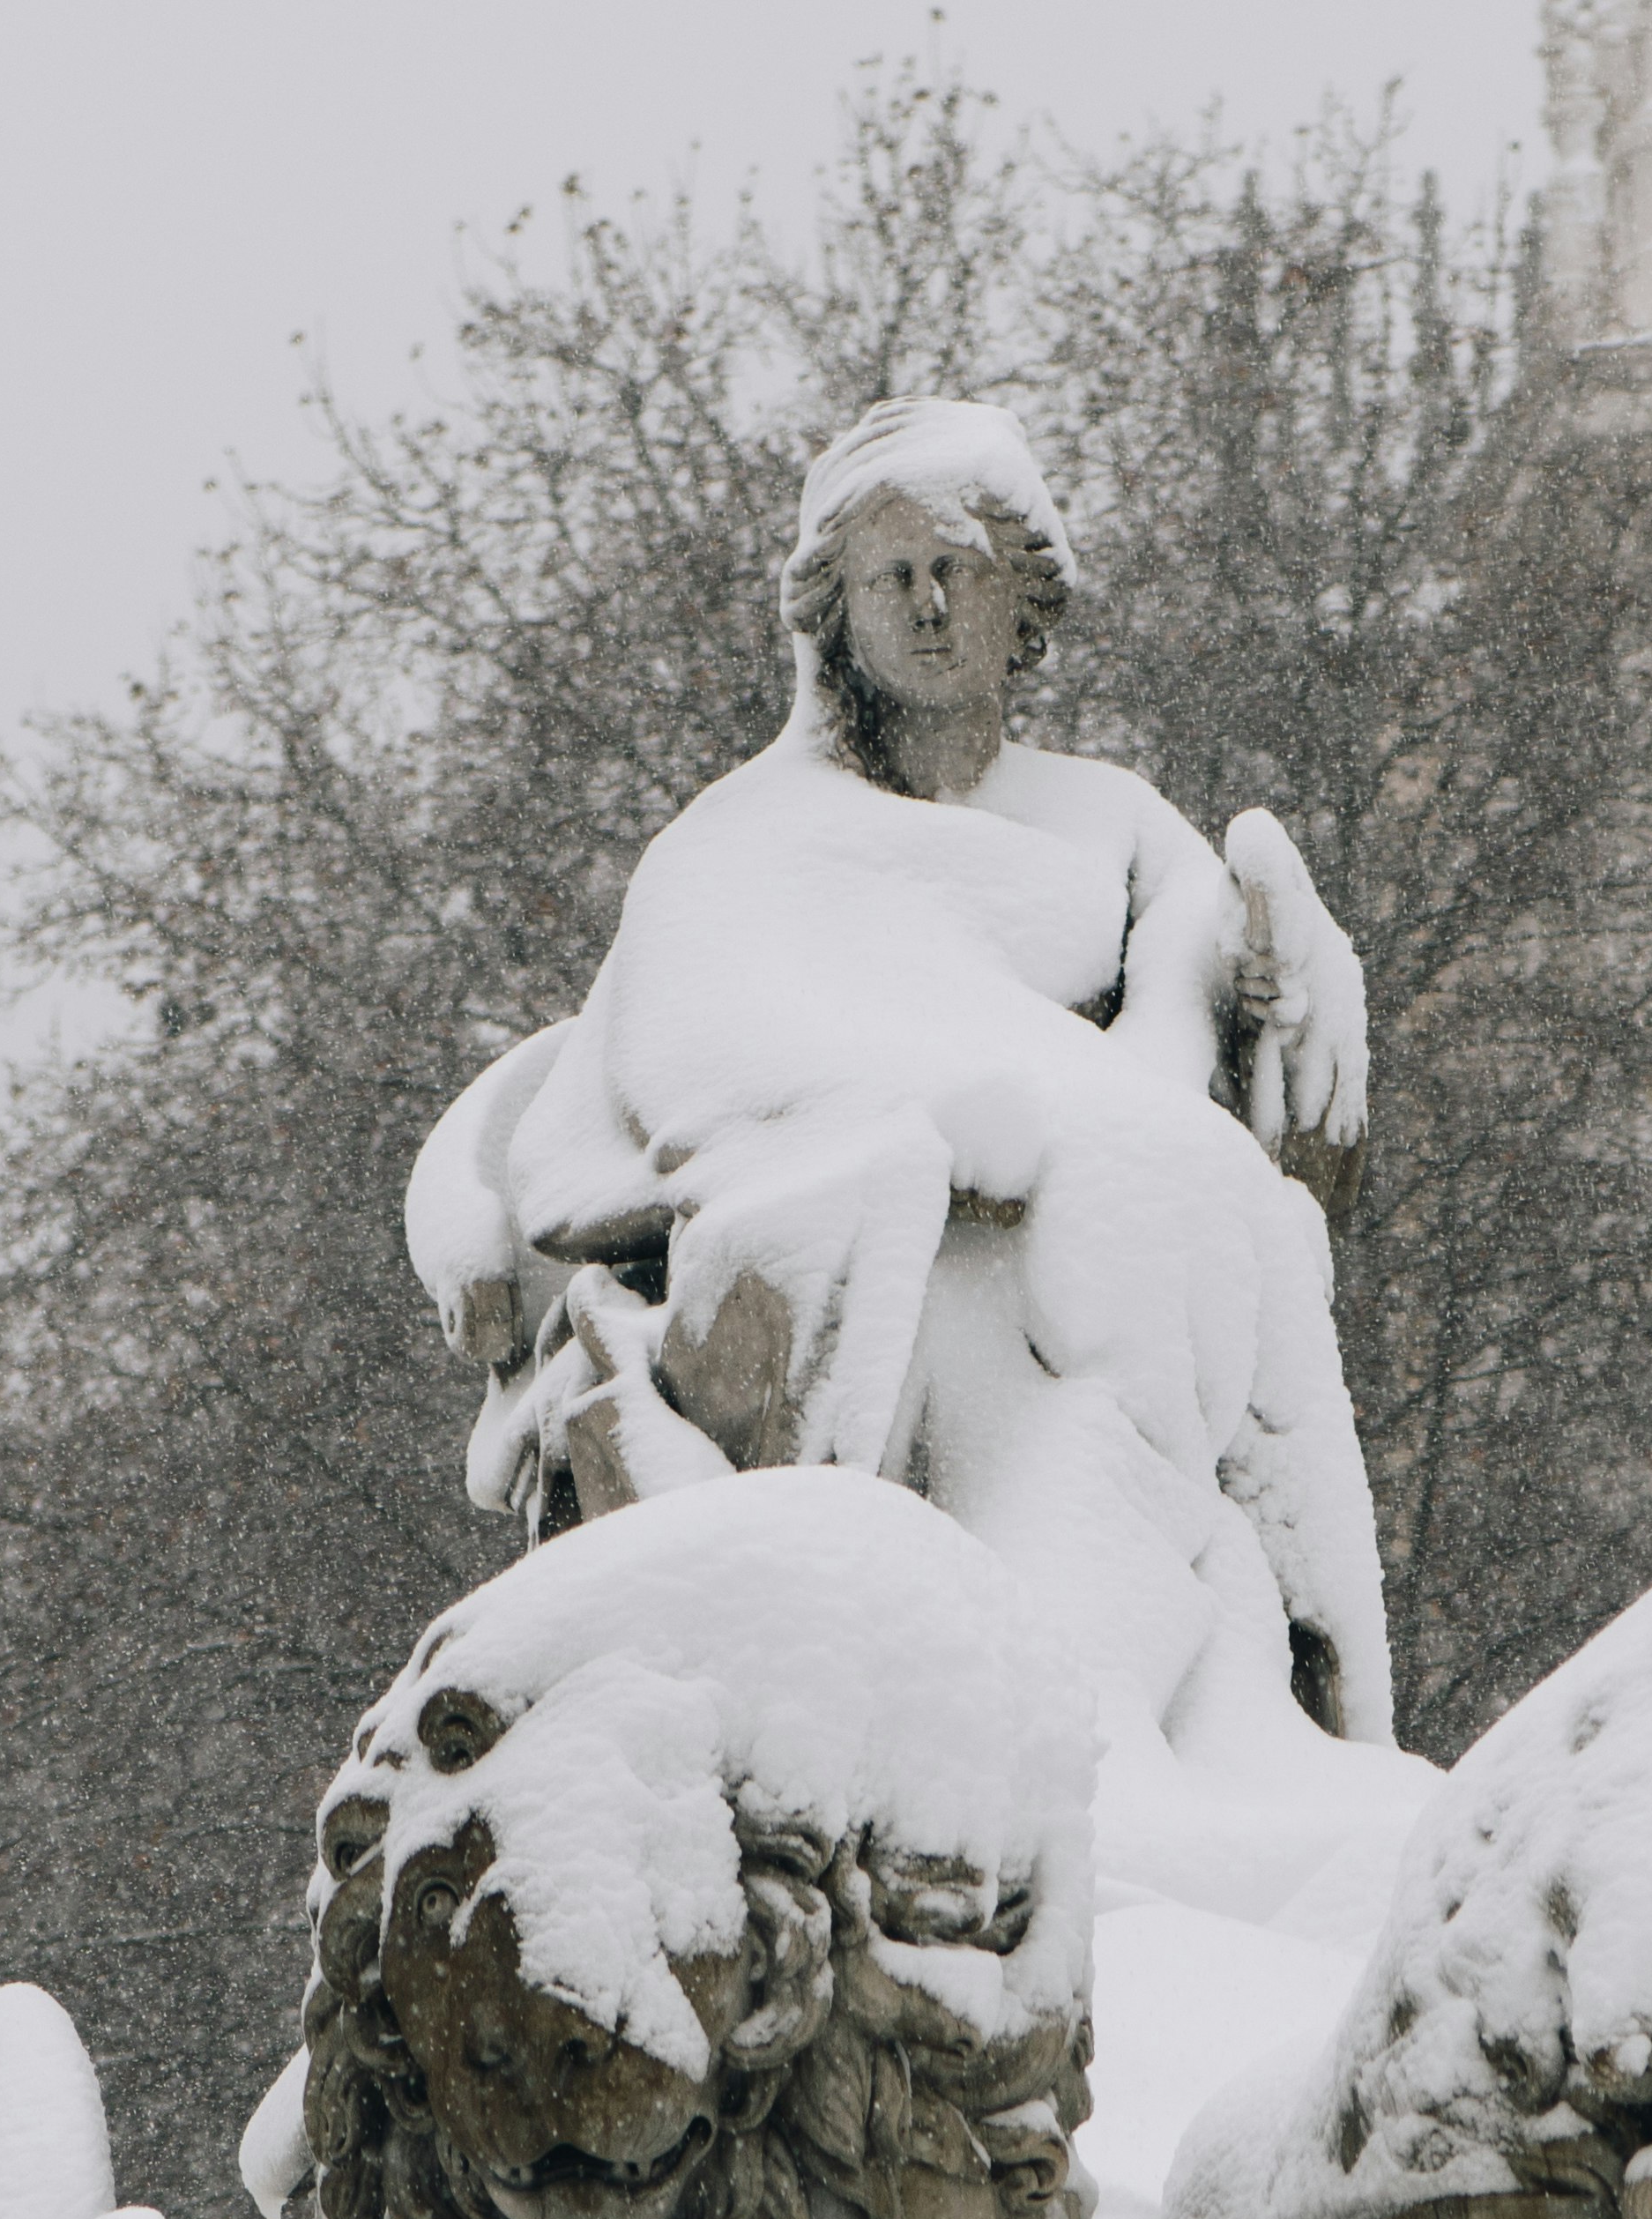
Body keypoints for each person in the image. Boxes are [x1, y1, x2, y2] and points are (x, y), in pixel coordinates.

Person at [410, 398, 1395, 1766]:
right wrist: (950, 1141)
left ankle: (1171, 1731)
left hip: (1099, 1294)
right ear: (841, 618)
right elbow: (700, 1082)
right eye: (892, 578)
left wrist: (1268, 1003)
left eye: (957, 569)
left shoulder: (1115, 829)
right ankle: (996, 1698)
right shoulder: (743, 845)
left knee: (1167, 1250)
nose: (930, 605)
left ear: (1018, 595)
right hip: (881, 1282)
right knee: (961, 1293)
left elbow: (1186, 1101)